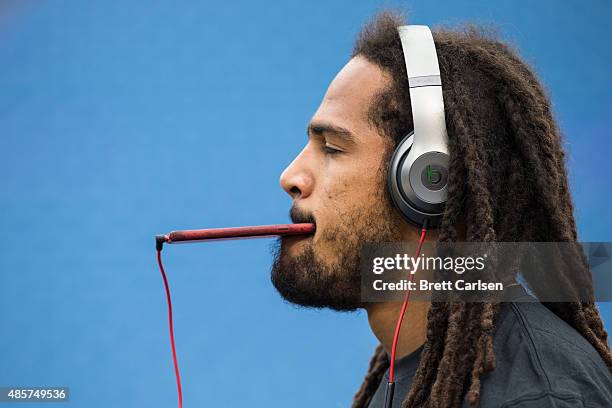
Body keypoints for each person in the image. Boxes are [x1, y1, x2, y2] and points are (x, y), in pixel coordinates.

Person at [270, 10, 612, 408]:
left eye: (332, 147)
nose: (290, 176)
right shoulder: (418, 372)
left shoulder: (539, 397)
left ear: (428, 181)